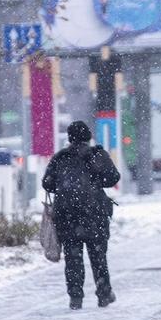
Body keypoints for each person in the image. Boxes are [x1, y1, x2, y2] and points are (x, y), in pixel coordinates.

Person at [42, 121, 122, 310]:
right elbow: (113, 178)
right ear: (88, 136)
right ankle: (103, 293)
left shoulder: (60, 157)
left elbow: (47, 183)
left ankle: (75, 297)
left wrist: (64, 187)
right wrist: (96, 180)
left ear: (70, 138)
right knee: (98, 256)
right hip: (94, 214)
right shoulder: (97, 155)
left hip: (67, 215)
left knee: (72, 257)